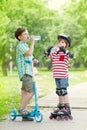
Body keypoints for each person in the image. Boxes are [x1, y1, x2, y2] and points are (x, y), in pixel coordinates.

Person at [47, 34, 74, 119]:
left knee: (63, 90)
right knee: (58, 91)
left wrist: (64, 50)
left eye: (63, 42)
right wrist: (50, 50)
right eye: (60, 42)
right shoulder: (55, 52)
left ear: (67, 44)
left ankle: (67, 107)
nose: (61, 43)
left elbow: (71, 56)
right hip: (56, 75)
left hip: (63, 76)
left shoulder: (65, 53)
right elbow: (50, 56)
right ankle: (61, 106)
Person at [15, 27, 35, 121]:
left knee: (25, 92)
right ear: (19, 37)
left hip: (28, 72)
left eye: (27, 33)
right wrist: (33, 42)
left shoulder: (25, 45)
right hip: (25, 73)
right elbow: (29, 53)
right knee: (31, 92)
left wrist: (35, 60)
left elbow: (30, 57)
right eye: (25, 34)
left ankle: (24, 115)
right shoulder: (21, 45)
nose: (27, 35)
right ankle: (22, 109)